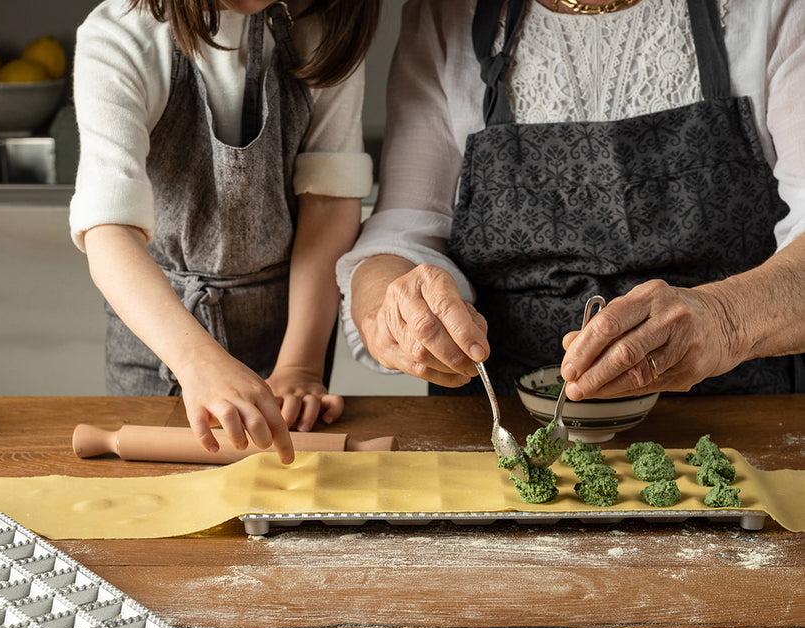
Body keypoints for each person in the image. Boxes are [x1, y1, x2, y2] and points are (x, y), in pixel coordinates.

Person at [338, 0, 805, 404]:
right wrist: (390, 304)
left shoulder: (771, 10)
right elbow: (404, 228)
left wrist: (724, 319)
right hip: (497, 425)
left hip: (736, 424)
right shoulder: (449, 16)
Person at [70, 0, 380, 464]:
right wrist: (195, 360)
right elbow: (109, 232)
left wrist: (299, 363)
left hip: (287, 336)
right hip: (159, 336)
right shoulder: (123, 36)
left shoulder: (322, 29)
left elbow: (329, 203)